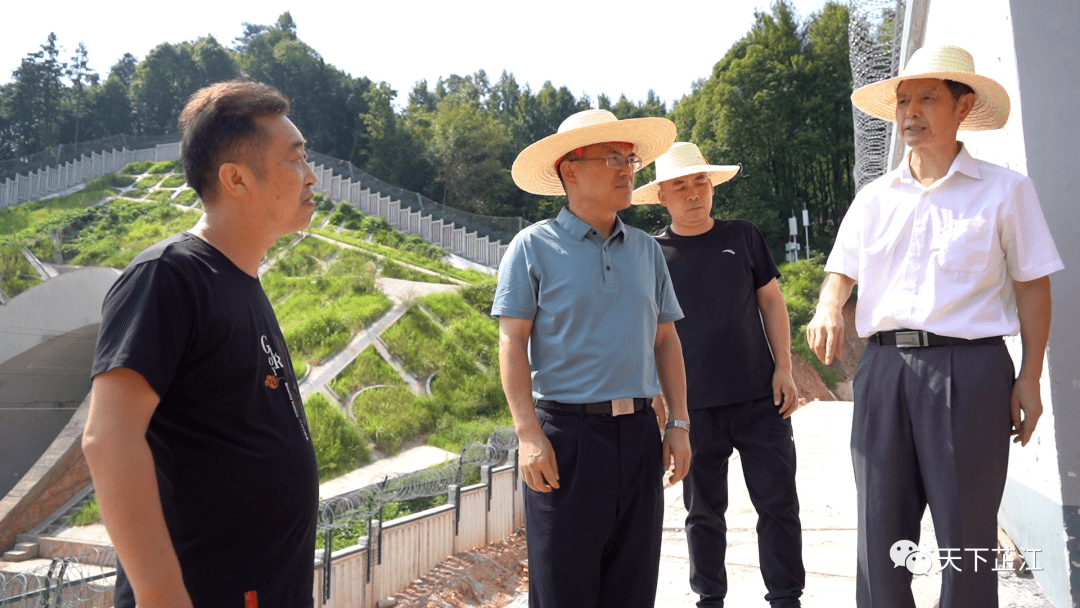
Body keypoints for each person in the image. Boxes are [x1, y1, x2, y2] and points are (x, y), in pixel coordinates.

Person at [806, 44, 1063, 608]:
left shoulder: (1005, 190)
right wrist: (828, 305)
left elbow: (1033, 286)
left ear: (963, 104)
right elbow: (840, 268)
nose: (910, 112)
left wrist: (1030, 376)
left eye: (927, 98)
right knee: (880, 536)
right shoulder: (874, 198)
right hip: (883, 371)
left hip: (971, 371)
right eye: (903, 100)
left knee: (967, 539)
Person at [82, 80, 320, 608]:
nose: (312, 176)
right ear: (236, 178)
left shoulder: (243, 282)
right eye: (296, 159)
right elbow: (109, 438)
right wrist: (160, 592)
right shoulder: (167, 276)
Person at [493, 109, 691, 608]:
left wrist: (679, 423)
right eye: (612, 158)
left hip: (640, 438)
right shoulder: (532, 248)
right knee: (565, 592)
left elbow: (666, 341)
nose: (627, 169)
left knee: (632, 589)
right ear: (570, 170)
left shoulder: (647, 251)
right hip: (566, 441)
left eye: (630, 158)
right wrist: (528, 434)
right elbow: (512, 341)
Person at [635, 142, 805, 608]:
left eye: (700, 182)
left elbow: (771, 300)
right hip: (694, 409)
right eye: (680, 186)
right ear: (662, 197)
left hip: (759, 399)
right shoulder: (651, 254)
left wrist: (785, 367)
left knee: (778, 504)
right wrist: (664, 410)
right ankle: (709, 598)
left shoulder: (745, 235)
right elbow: (649, 332)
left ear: (711, 188)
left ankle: (786, 597)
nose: (693, 193)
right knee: (704, 513)